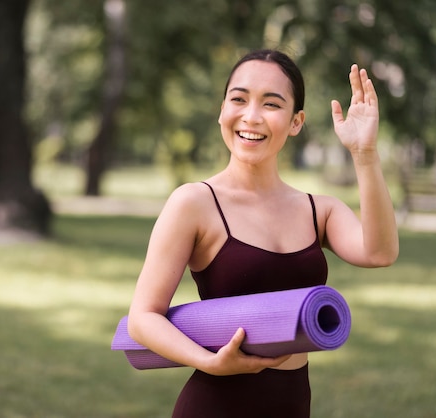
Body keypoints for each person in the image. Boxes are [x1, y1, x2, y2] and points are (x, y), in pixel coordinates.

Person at [126, 49, 399, 417]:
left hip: (292, 405)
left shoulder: (320, 210)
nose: (251, 116)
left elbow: (380, 253)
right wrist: (208, 361)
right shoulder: (194, 203)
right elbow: (142, 318)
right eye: (238, 99)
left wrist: (365, 153)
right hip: (214, 404)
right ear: (222, 110)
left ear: (296, 121)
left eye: (271, 104)